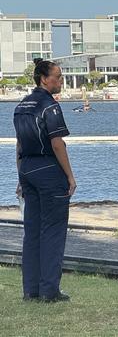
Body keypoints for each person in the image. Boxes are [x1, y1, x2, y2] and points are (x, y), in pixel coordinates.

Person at [14, 58, 76, 302]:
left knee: (32, 232)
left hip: (27, 168)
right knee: (53, 231)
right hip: (48, 169)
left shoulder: (21, 106)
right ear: (44, 78)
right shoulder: (49, 106)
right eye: (58, 77)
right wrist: (70, 176)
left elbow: (19, 145)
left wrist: (20, 176)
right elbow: (57, 143)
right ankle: (49, 290)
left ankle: (31, 290)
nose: (60, 81)